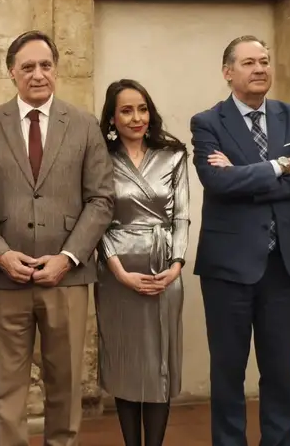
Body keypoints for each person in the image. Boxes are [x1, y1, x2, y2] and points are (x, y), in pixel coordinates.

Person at [0, 30, 114, 446]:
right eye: (27, 66)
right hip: (6, 278)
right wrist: (0, 254)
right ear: (12, 72)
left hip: (66, 278)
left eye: (45, 65)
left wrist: (68, 257)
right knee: (7, 390)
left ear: (56, 70)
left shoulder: (83, 125)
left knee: (64, 385)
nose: (38, 74)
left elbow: (101, 199)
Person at [193, 35, 290, 446]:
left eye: (264, 61)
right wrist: (283, 165)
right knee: (228, 371)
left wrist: (245, 176)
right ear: (228, 73)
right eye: (249, 63)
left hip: (282, 266)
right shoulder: (208, 122)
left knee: (279, 370)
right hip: (228, 268)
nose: (260, 69)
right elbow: (216, 180)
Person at [95, 79, 188, 446]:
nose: (136, 118)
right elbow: (95, 216)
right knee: (125, 361)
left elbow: (182, 216)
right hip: (116, 272)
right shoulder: (99, 158)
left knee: (159, 364)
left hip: (164, 268)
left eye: (142, 108)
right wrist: (117, 270)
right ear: (112, 118)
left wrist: (176, 265)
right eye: (127, 110)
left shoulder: (174, 153)